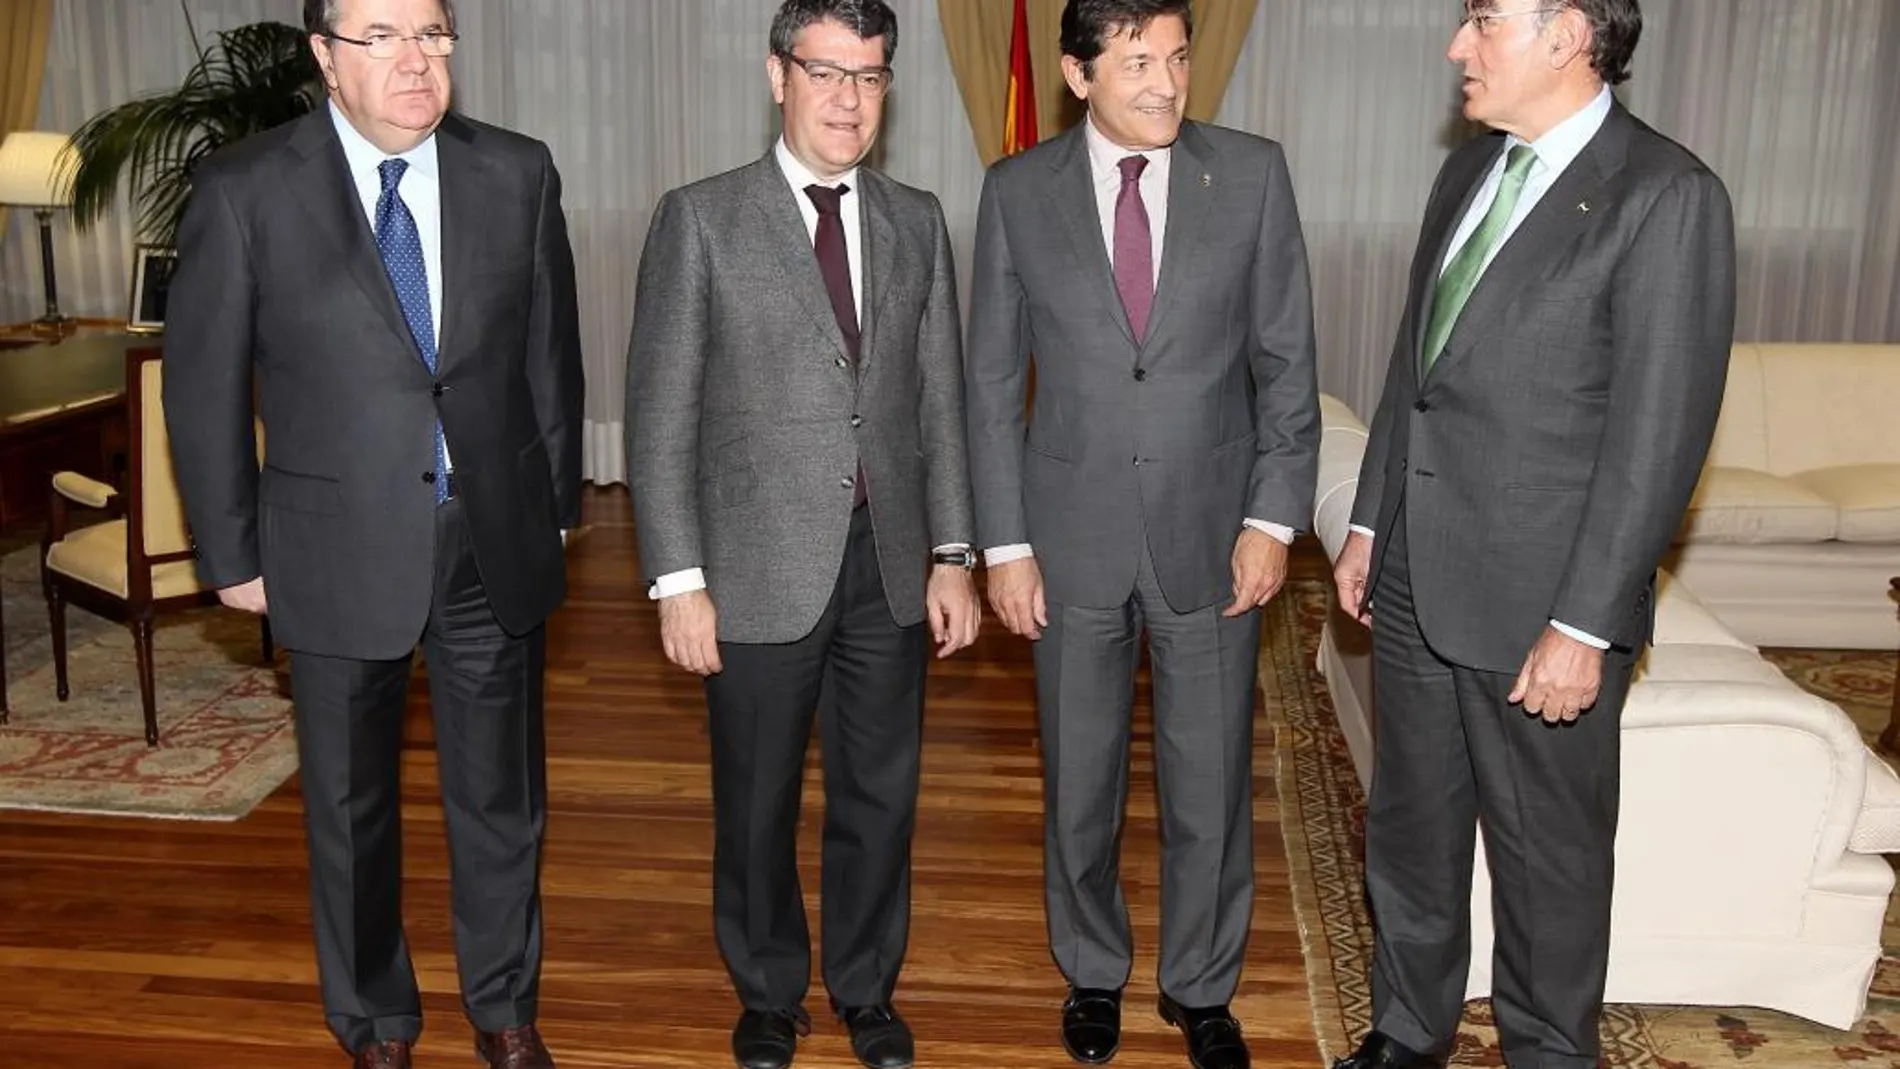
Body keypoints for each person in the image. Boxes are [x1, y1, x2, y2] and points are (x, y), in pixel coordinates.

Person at [161, 0, 582, 1065]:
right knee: (350, 810)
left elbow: (549, 359)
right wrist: (232, 552)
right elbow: (202, 384)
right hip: (330, 543)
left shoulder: (517, 171)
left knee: (502, 798)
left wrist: (558, 509)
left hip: (487, 536)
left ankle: (502, 1008)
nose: (415, 60)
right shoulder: (247, 187)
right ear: (324, 57)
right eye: (382, 37)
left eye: (432, 36)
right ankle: (376, 1017)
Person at [1328, 2, 1735, 1067]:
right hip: (1414, 571)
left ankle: (1550, 1051)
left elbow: (1657, 441)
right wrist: (1372, 517)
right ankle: (1406, 1030)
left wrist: (1584, 624)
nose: (1457, 47)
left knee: (1546, 862)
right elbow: (1412, 374)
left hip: (1538, 602)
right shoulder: (1468, 172)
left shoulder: (1666, 196)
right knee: (1409, 832)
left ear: (1565, 36)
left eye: (1480, 22)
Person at [962, 2, 1319, 1066]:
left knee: (1209, 778)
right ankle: (1091, 972)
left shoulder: (1250, 175)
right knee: (1080, 779)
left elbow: (1288, 365)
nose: (1165, 83)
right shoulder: (1016, 192)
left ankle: (1202, 987)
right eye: (1134, 62)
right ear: (1077, 73)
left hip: (1212, 534)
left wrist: (1271, 518)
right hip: (1066, 537)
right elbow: (986, 383)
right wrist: (1004, 545)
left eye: (1175, 57)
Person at [623, 2, 979, 1067]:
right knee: (757, 796)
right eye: (827, 74)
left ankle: (867, 988)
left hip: (888, 565)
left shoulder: (917, 219)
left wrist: (953, 554)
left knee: (880, 793)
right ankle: (769, 992)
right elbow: (658, 414)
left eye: (869, 78)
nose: (849, 99)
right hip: (753, 567)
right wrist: (677, 578)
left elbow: (939, 407)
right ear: (778, 76)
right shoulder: (701, 218)